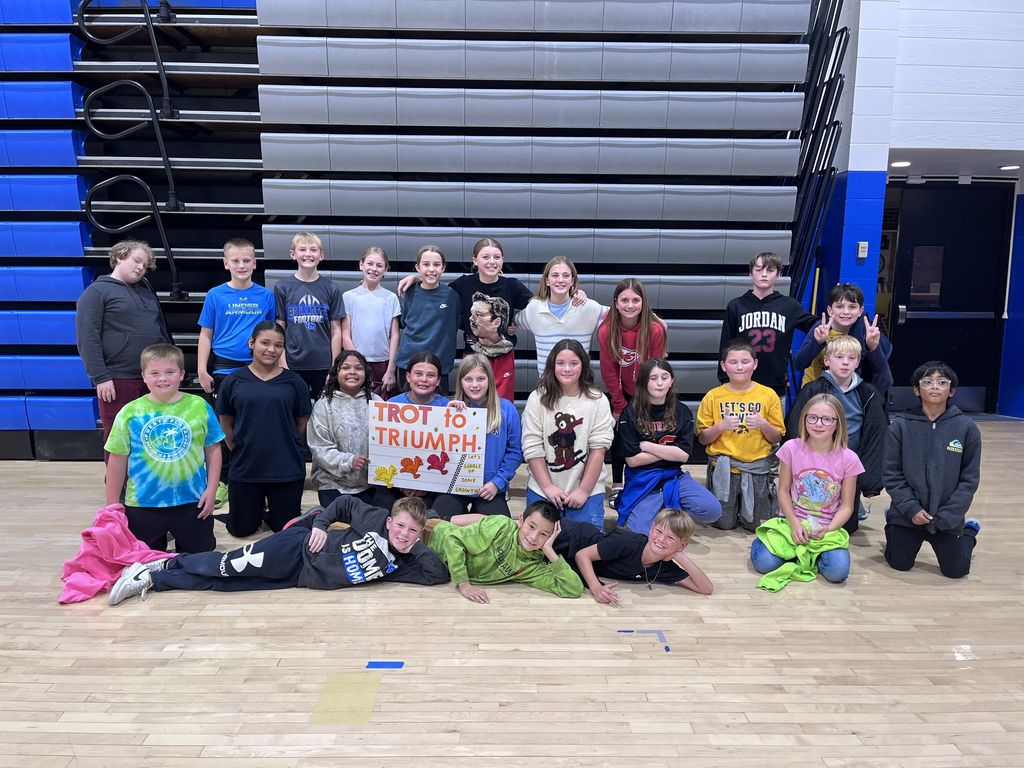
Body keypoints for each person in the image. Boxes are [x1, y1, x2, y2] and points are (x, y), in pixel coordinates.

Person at [107, 496, 449, 605]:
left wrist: (416, 547)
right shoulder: (376, 519)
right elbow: (343, 503)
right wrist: (319, 525)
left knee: (228, 585)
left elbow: (438, 575)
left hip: (301, 577)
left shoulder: (404, 560)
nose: (404, 535)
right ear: (390, 522)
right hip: (297, 549)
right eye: (401, 526)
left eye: (412, 531)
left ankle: (154, 581)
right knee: (228, 565)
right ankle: (163, 564)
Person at [104, 343, 223, 553]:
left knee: (199, 559)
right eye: (155, 373)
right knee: (145, 562)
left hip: (192, 501)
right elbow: (117, 461)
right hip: (143, 504)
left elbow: (213, 450)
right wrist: (112, 507)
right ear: (144, 376)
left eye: (170, 372)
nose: (162, 378)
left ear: (182, 374)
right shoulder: (129, 413)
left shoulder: (200, 406)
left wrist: (211, 490)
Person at [398, 237, 532, 400]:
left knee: (502, 408)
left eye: (496, 257)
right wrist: (417, 278)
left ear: (503, 260)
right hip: (472, 356)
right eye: (485, 257)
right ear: (475, 260)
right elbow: (433, 286)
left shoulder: (512, 286)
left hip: (503, 357)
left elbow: (538, 306)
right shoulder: (462, 285)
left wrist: (514, 321)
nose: (491, 262)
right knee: (470, 409)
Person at [196, 237, 276, 509]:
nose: (241, 265)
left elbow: (273, 335)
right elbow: (206, 334)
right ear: (226, 263)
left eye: (246, 260)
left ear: (254, 263)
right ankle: (223, 481)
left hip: (258, 367)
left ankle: (260, 478)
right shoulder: (215, 295)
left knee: (258, 424)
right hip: (224, 368)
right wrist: (201, 369)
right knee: (224, 426)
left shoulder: (266, 295)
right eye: (236, 261)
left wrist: (281, 365)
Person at [751, 393, 863, 586]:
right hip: (791, 521)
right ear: (804, 419)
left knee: (838, 573)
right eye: (812, 417)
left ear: (838, 424)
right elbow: (783, 492)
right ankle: (790, 549)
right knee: (764, 563)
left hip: (826, 527)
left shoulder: (849, 458)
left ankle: (806, 555)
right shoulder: (791, 448)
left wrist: (829, 528)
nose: (818, 424)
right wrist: (795, 524)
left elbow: (847, 506)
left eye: (826, 419)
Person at [882, 361, 981, 579]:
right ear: (917, 390)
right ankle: (893, 519)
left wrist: (950, 515)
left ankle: (970, 532)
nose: (934, 386)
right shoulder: (900, 426)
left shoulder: (966, 428)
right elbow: (891, 474)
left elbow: (969, 479)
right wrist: (910, 508)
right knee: (899, 563)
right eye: (927, 382)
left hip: (947, 517)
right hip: (908, 514)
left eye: (942, 382)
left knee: (956, 571)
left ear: (951, 390)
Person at [75, 239, 173, 457]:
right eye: (137, 261)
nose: (140, 268)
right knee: (118, 436)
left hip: (154, 377)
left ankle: (150, 484)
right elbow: (87, 337)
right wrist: (100, 377)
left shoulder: (147, 292)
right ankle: (118, 487)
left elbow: (161, 331)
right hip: (118, 378)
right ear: (119, 256)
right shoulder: (96, 293)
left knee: (155, 434)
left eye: (145, 265)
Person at [216, 321, 311, 536]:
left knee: (284, 530)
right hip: (246, 467)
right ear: (252, 343)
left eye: (278, 345)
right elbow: (226, 422)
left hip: (285, 468)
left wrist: (285, 445)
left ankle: (273, 512)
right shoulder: (233, 381)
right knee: (241, 530)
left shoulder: (295, 382)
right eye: (265, 343)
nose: (271, 350)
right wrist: (240, 449)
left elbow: (301, 423)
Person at [785, 334, 886, 533]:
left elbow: (877, 435)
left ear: (858, 362)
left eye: (851, 358)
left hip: (848, 463)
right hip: (814, 462)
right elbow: (796, 426)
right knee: (809, 509)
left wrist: (871, 481)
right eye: (839, 357)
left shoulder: (868, 393)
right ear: (827, 360)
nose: (845, 363)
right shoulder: (812, 389)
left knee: (846, 528)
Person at [615, 359, 720, 531]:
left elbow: (683, 455)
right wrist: (671, 451)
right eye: (653, 378)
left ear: (671, 381)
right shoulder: (631, 412)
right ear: (643, 382)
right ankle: (658, 509)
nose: (659, 383)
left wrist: (648, 447)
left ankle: (666, 508)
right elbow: (633, 460)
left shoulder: (682, 411)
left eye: (664, 377)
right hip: (643, 478)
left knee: (712, 511)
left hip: (674, 476)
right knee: (638, 532)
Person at [521, 339, 615, 528]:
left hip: (587, 491)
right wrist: (548, 487)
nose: (567, 369)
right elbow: (532, 448)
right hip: (543, 489)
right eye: (561, 363)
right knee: (534, 549)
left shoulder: (598, 400)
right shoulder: (537, 398)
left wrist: (583, 491)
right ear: (552, 365)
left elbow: (599, 450)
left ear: (583, 365)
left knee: (587, 549)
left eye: (573, 363)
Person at [697, 338, 785, 531]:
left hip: (757, 468)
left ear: (755, 364)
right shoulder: (713, 396)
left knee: (758, 526)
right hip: (724, 468)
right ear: (723, 365)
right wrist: (721, 427)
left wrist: (763, 424)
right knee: (723, 524)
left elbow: (776, 437)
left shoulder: (768, 395)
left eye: (745, 362)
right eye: (733, 362)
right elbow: (703, 438)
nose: (739, 367)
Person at [426, 500, 583, 602]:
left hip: (437, 566)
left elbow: (572, 589)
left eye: (544, 534)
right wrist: (464, 584)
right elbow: (454, 540)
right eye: (531, 526)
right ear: (521, 520)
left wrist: (549, 552)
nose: (534, 537)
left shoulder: (532, 567)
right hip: (429, 534)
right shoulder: (502, 526)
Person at [597, 278, 668, 501]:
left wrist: (649, 399)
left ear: (643, 302)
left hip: (648, 391)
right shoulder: (606, 330)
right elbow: (608, 370)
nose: (630, 305)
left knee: (647, 435)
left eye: (635, 300)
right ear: (615, 303)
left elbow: (656, 369)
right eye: (624, 300)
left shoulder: (655, 330)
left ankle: (644, 481)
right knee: (620, 436)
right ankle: (617, 482)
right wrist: (619, 404)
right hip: (621, 392)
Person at [554, 509, 713, 604]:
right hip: (572, 536)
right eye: (658, 531)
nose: (661, 540)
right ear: (651, 529)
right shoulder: (626, 542)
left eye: (670, 538)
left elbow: (705, 588)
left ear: (682, 545)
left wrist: (680, 555)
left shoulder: (664, 568)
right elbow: (582, 555)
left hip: (567, 558)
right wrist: (596, 588)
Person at [431, 354, 522, 520]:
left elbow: (515, 452)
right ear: (460, 381)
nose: (475, 385)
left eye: (481, 379)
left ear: (490, 379)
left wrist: (498, 482)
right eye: (468, 379)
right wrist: (445, 416)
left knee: (500, 530)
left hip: (489, 487)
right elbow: (432, 446)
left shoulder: (507, 410)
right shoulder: (447, 407)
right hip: (454, 487)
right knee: (435, 524)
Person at [718, 251, 816, 399]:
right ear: (751, 273)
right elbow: (726, 344)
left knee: (771, 423)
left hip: (775, 386)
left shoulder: (789, 306)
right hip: (740, 384)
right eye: (759, 269)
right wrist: (724, 379)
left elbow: (815, 325)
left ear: (778, 275)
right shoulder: (736, 306)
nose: (764, 274)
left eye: (770, 270)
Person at [373, 351, 457, 511]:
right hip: (395, 484)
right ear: (408, 376)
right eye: (418, 374)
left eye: (430, 375)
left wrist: (424, 486)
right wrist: (402, 485)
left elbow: (452, 456)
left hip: (436, 486)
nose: (424, 380)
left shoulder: (448, 408)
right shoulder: (391, 406)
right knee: (380, 510)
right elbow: (385, 452)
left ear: (438, 380)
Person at [273, 231, 345, 399]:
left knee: (324, 413)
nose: (308, 254)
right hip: (293, 363)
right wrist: (282, 364)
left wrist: (334, 366)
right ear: (293, 254)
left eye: (313, 250)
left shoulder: (331, 288)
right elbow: (279, 329)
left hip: (323, 364)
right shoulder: (282, 287)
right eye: (302, 249)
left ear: (321, 255)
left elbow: (336, 331)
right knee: (297, 413)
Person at [793, 282, 893, 401]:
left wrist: (873, 348)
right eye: (839, 306)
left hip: (850, 399)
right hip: (816, 396)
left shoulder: (868, 332)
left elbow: (883, 376)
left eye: (852, 307)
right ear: (830, 310)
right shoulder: (821, 328)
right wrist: (817, 342)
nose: (846, 312)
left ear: (860, 310)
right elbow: (799, 364)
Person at [307, 350, 382, 508]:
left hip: (371, 483)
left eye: (358, 368)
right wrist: (349, 461)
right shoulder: (324, 405)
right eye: (346, 367)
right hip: (333, 484)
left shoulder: (377, 402)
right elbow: (320, 448)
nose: (352, 372)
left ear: (366, 373)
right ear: (336, 373)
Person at [515, 256, 605, 375]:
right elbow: (510, 321)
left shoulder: (588, 307)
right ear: (547, 280)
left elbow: (619, 316)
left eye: (566, 275)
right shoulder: (534, 308)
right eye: (555, 275)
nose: (560, 280)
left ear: (572, 280)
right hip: (547, 387)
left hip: (580, 386)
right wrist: (510, 326)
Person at [394, 245, 461, 394]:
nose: (431, 269)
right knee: (407, 414)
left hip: (439, 367)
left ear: (443, 268)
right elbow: (404, 322)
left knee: (438, 415)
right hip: (408, 364)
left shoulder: (452, 296)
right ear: (417, 267)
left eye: (436, 265)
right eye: (426, 264)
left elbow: (457, 323)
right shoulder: (409, 292)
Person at [341, 246, 401, 399]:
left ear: (385, 269)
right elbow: (345, 336)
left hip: (383, 364)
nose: (374, 269)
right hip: (357, 361)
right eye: (370, 264)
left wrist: (391, 370)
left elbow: (394, 336)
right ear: (361, 265)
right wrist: (358, 364)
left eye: (379, 265)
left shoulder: (391, 298)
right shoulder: (349, 297)